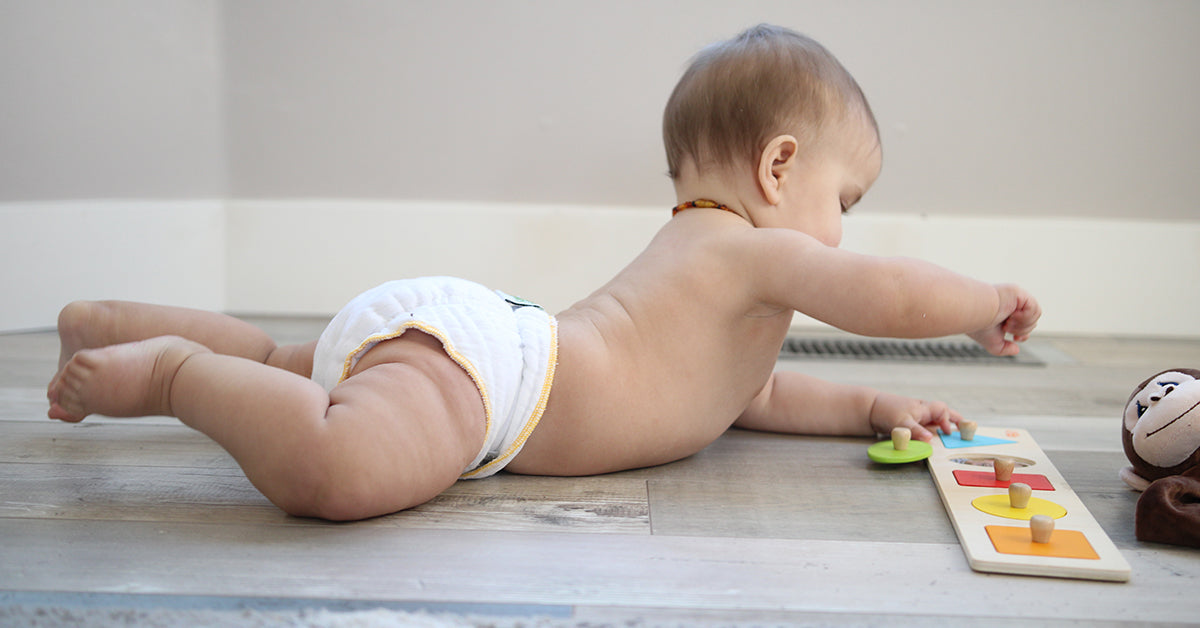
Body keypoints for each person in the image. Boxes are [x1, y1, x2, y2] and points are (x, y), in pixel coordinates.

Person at [46, 24, 1040, 521]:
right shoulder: (745, 249)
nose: (839, 235)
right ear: (779, 169)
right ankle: (171, 372)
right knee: (333, 470)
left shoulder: (715, 288)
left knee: (287, 357)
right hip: (494, 379)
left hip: (485, 345)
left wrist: (871, 403)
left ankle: (108, 321)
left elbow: (760, 395)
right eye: (846, 203)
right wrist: (981, 304)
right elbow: (886, 295)